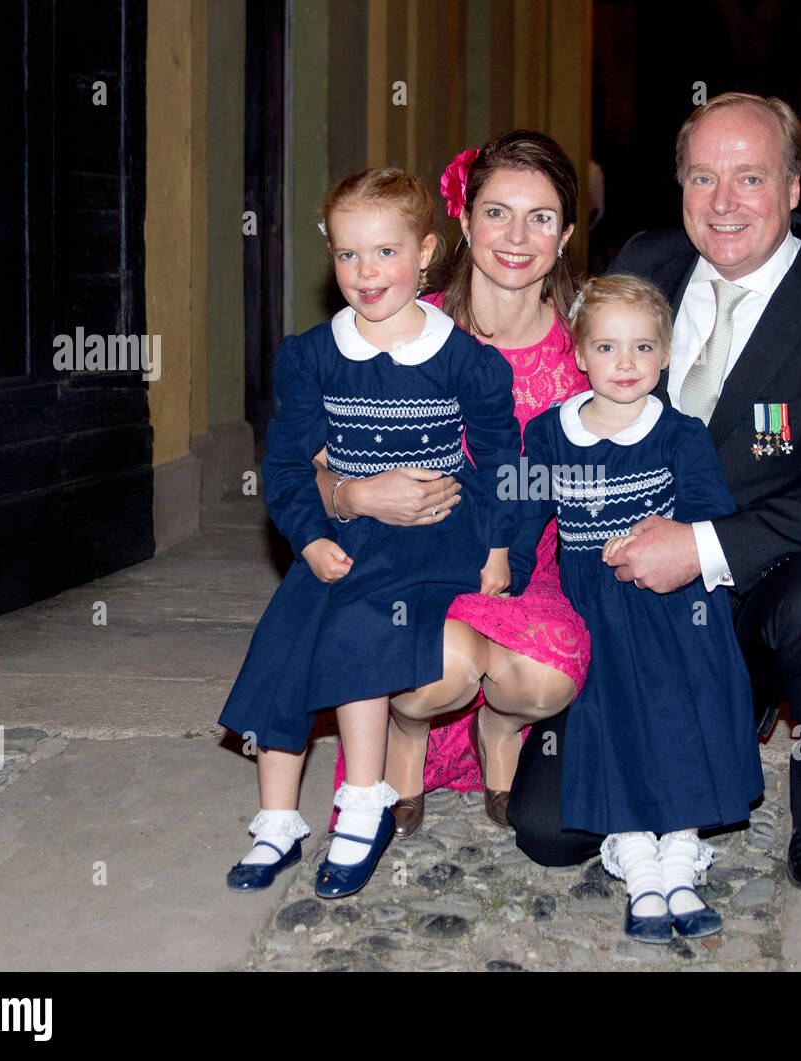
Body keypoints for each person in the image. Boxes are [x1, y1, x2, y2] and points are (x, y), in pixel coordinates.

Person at [509, 93, 801, 892]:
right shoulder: (641, 263)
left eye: (750, 177)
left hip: (759, 594)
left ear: (795, 187)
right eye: (703, 178)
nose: (724, 203)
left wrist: (697, 546)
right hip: (622, 607)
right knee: (552, 831)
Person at [219, 168, 521, 898]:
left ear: (425, 253)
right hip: (349, 530)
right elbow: (288, 465)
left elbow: (502, 458)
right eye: (348, 255)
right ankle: (278, 817)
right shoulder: (313, 356)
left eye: (385, 253)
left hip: (432, 532)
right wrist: (310, 534)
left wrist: (496, 543)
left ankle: (365, 799)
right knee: (284, 636)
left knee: (356, 623)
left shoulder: (464, 359)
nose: (365, 273)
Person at [318, 132, 590, 839]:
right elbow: (309, 465)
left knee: (545, 675)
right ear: (464, 224)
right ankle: (408, 735)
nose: (517, 236)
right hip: (409, 567)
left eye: (541, 216)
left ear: (565, 234)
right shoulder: (400, 320)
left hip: (526, 574)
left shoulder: (589, 352)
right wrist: (355, 494)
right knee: (440, 666)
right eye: (497, 212)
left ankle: (499, 733)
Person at [507, 275, 762, 941]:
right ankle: (635, 855)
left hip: (672, 604)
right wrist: (498, 572)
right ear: (580, 354)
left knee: (683, 698)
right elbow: (523, 516)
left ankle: (680, 846)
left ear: (667, 354)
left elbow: (710, 514)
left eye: (643, 347)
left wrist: (664, 531)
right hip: (594, 606)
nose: (626, 364)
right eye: (609, 347)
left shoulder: (679, 434)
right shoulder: (548, 435)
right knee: (606, 705)